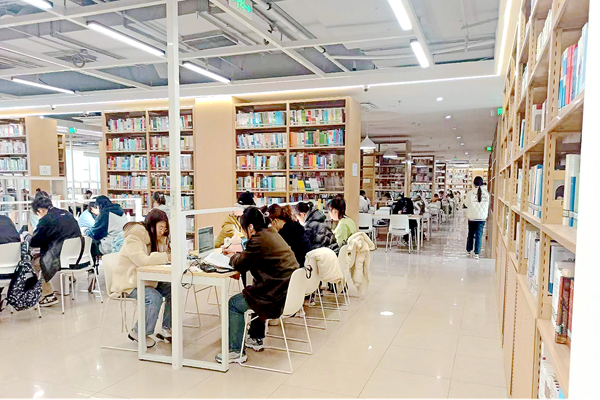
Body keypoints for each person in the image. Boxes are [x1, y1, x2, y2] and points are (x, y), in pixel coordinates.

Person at [217, 207, 298, 364]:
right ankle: (255, 337)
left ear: (250, 227)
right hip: (288, 293)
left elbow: (240, 264)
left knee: (234, 304)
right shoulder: (271, 233)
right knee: (252, 291)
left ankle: (235, 351)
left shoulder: (258, 240)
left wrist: (232, 256)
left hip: (275, 298)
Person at [112, 210, 171, 348]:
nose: (162, 231)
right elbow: (143, 261)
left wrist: (164, 244)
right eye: (160, 228)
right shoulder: (134, 238)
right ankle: (139, 332)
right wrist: (166, 257)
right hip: (129, 283)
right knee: (154, 297)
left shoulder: (156, 239)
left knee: (171, 288)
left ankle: (167, 327)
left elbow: (162, 257)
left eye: (165, 228)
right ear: (151, 225)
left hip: (147, 280)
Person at [29, 195, 81, 307]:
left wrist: (28, 237)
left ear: (40, 210)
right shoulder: (67, 213)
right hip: (77, 256)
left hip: (60, 258)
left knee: (34, 263)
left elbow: (35, 242)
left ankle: (48, 295)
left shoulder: (46, 219)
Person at [86, 195, 128, 262]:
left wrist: (86, 231)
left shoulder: (105, 213)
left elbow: (96, 234)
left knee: (89, 244)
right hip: (122, 244)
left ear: (98, 206)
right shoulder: (120, 211)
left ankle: (92, 265)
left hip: (110, 245)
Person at [464, 176, 490, 259]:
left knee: (471, 233)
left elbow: (466, 204)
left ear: (473, 183)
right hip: (482, 218)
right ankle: (477, 253)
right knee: (479, 234)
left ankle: (469, 250)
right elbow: (488, 205)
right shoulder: (486, 194)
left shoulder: (470, 193)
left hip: (472, 216)